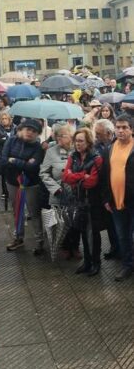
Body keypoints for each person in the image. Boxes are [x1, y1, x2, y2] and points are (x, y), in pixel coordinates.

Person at [62, 128, 104, 276]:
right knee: (83, 232)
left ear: (89, 142)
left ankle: (96, 263)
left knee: (93, 233)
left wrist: (75, 177)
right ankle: (87, 262)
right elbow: (66, 177)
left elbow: (92, 182)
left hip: (92, 201)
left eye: (81, 141)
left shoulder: (96, 158)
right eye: (76, 141)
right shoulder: (73, 157)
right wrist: (82, 176)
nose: (77, 144)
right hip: (78, 201)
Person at [3, 119, 45, 252]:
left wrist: (14, 160)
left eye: (34, 131)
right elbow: (3, 160)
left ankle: (39, 241)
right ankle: (18, 238)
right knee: (17, 210)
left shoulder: (38, 147)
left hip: (31, 184)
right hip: (13, 182)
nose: (30, 133)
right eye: (28, 129)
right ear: (21, 129)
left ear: (37, 134)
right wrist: (24, 163)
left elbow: (33, 167)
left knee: (34, 212)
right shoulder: (11, 141)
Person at [105, 114, 134, 281]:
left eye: (125, 127)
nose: (121, 130)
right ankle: (127, 265)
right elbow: (105, 175)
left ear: (132, 129)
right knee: (122, 236)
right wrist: (106, 198)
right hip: (116, 200)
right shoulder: (110, 147)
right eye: (118, 127)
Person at [40, 123, 75, 257]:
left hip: (75, 193)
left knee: (76, 220)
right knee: (61, 220)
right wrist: (56, 189)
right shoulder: (51, 151)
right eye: (57, 136)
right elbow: (43, 173)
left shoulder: (77, 150)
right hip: (58, 193)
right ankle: (63, 246)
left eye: (63, 136)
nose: (59, 138)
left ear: (71, 137)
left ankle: (75, 246)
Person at [94, 119, 118, 260]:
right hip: (103, 190)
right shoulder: (97, 145)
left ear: (109, 133)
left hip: (117, 189)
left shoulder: (117, 144)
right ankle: (115, 247)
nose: (96, 136)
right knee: (109, 222)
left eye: (99, 133)